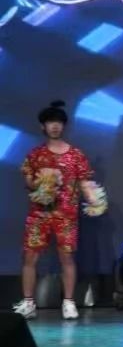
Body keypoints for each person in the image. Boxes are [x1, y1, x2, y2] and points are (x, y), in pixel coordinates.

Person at [13, 101, 97, 321]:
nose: (55, 126)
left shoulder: (76, 155)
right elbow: (29, 181)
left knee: (67, 258)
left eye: (58, 122)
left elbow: (85, 181)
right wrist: (43, 182)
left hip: (66, 214)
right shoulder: (36, 154)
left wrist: (94, 200)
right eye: (50, 122)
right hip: (39, 214)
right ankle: (28, 302)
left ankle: (68, 302)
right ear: (43, 126)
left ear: (64, 126)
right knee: (30, 257)